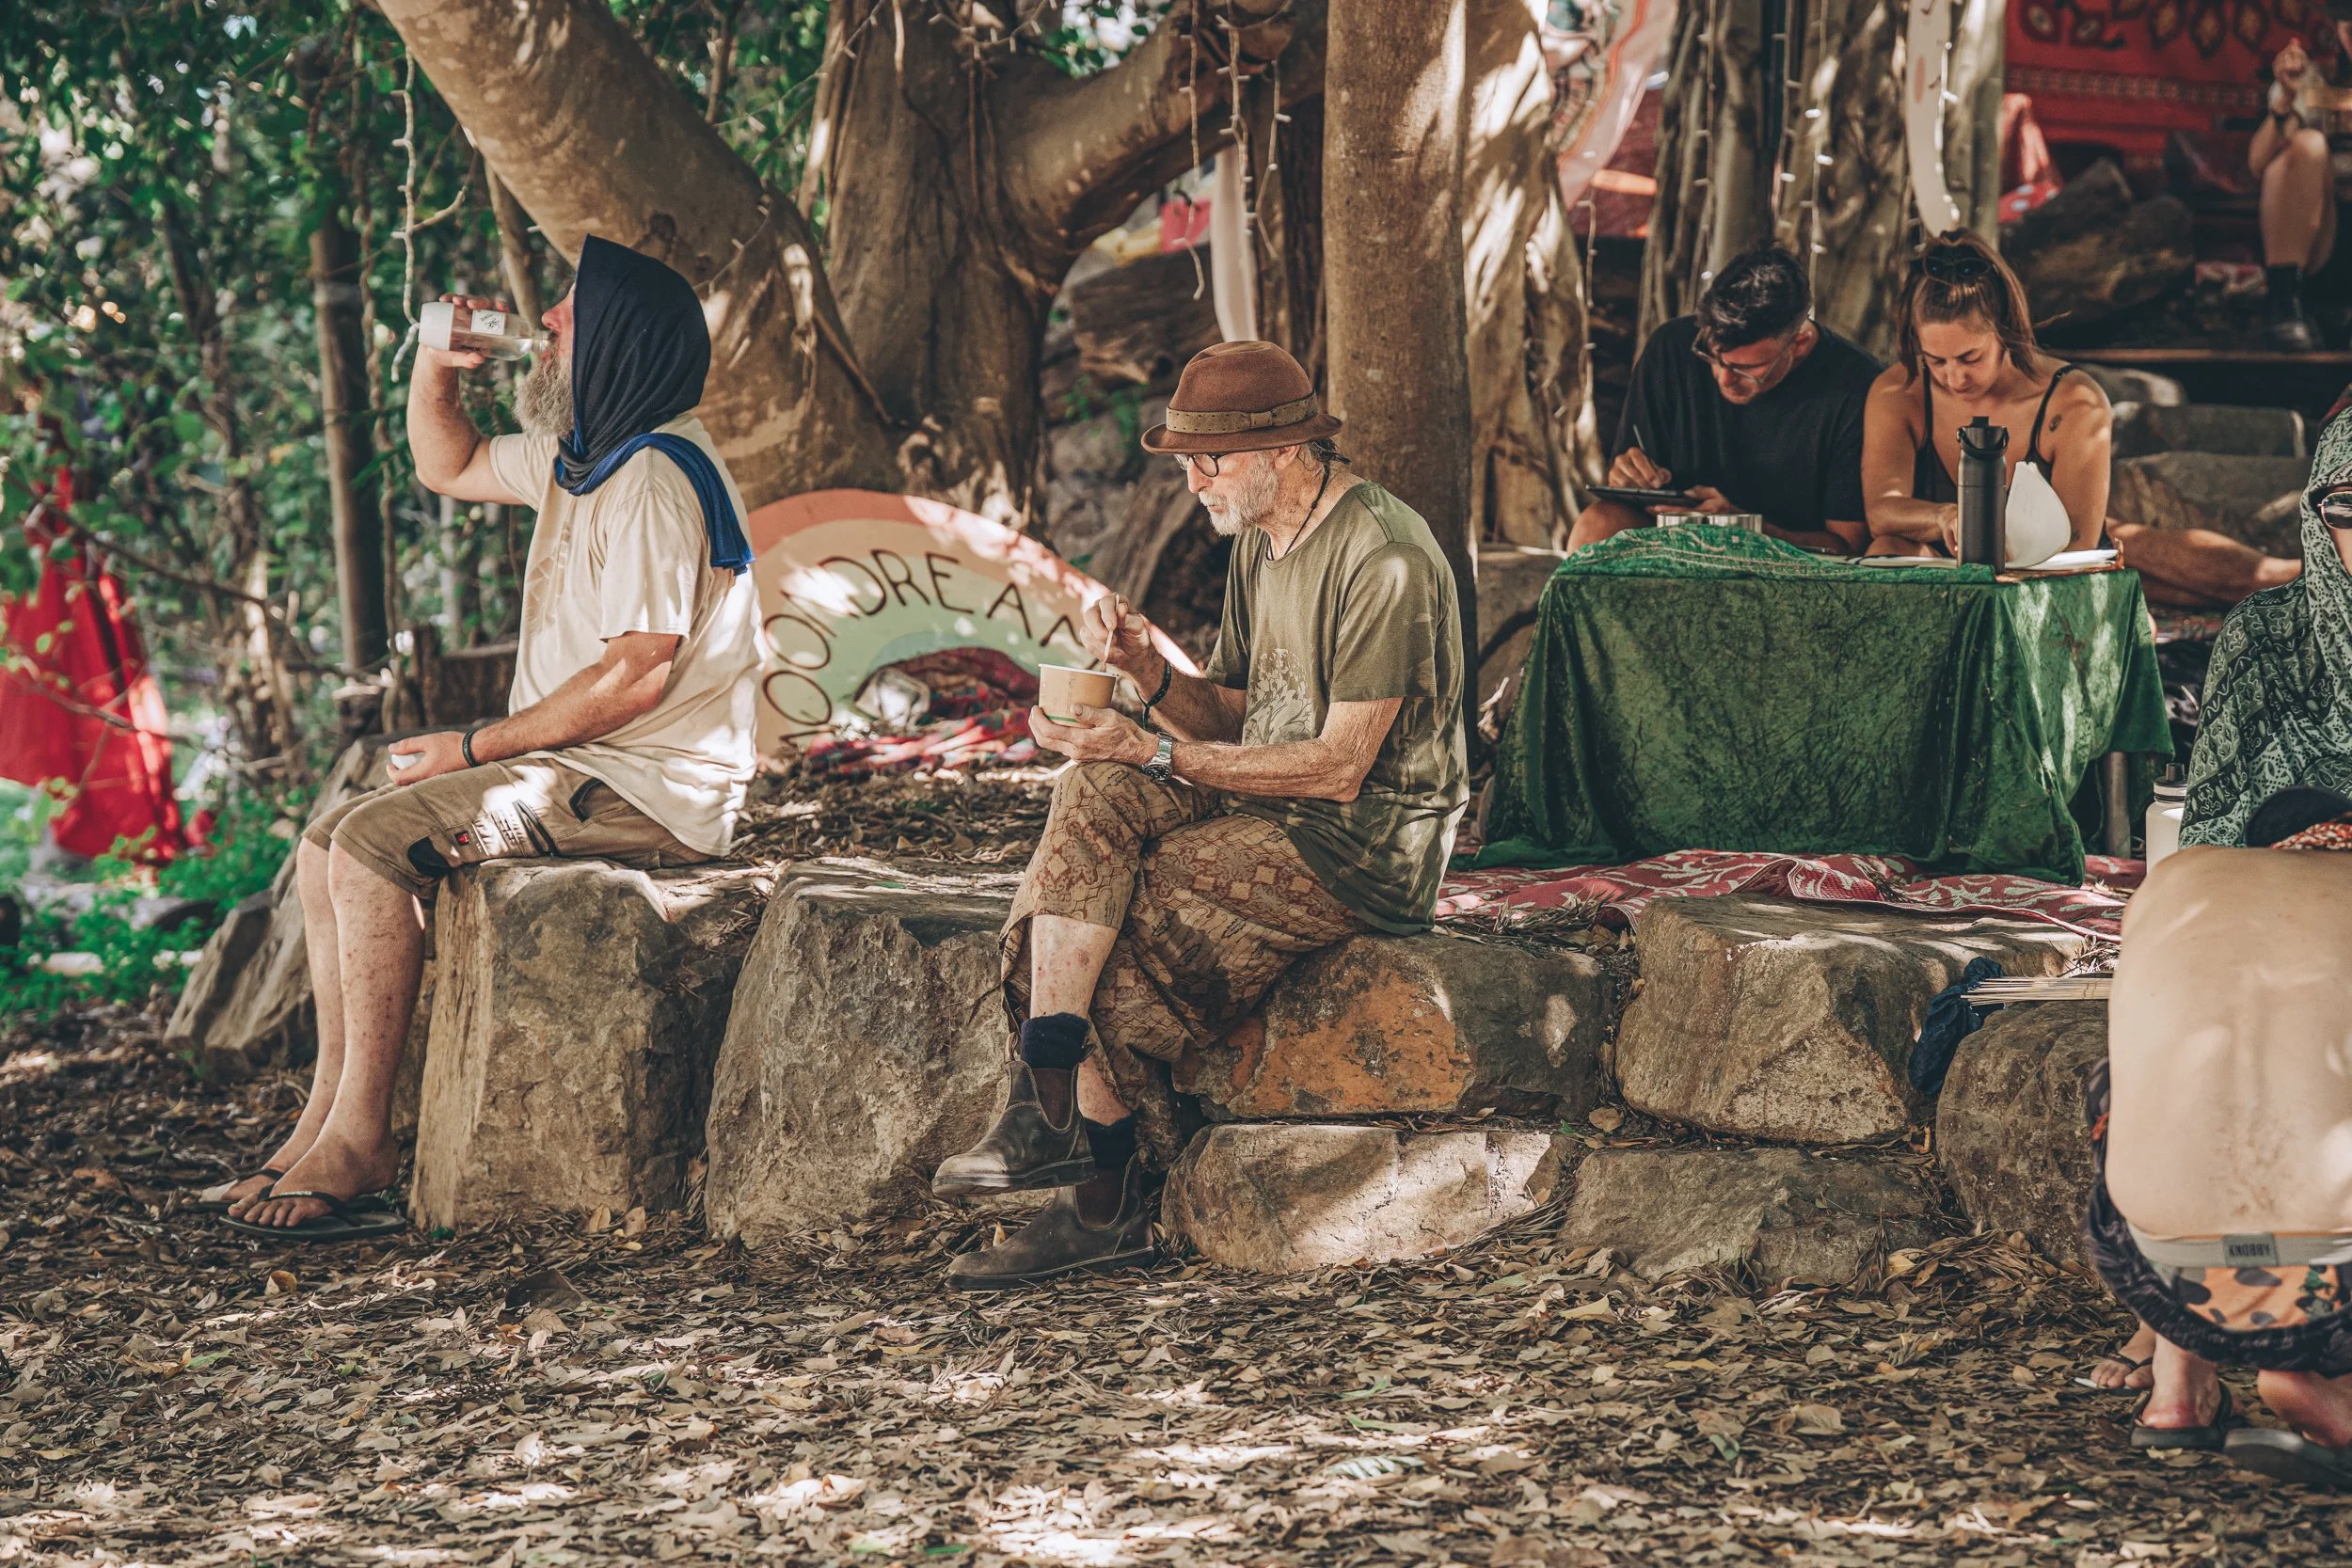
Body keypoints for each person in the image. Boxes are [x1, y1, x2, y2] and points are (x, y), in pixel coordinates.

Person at [218, 236, 762, 1238]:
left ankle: (363, 1139)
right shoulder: (586, 458)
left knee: (375, 848)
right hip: (580, 765)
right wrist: (435, 364)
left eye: (565, 311)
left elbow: (635, 671)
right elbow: (450, 460)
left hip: (644, 790)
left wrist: (474, 749)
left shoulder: (652, 478)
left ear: (613, 341)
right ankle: (327, 1117)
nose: (544, 322)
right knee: (324, 839)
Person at [931, 340, 1467, 1289]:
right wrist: (1147, 674)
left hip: (1360, 840)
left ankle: (1102, 1193)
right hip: (1269, 792)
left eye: (1207, 459)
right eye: (1184, 458)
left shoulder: (1380, 556)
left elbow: (1342, 767)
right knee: (1089, 793)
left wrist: (1157, 748)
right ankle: (1044, 1087)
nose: (1190, 479)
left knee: (1121, 916)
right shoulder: (1263, 543)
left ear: (1284, 448)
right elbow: (1234, 711)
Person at [2083, 414, 2352, 1463]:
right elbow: (2212, 842)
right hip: (2277, 915)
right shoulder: (2267, 637)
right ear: (2317, 512)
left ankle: (2178, 1376)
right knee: (2210, 1016)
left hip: (2151, 1250)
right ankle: (2272, 1361)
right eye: (2348, 511)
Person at [1862, 230, 2305, 608]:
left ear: (2005, 331)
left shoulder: (2072, 400)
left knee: (2200, 574)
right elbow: (1883, 511)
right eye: (1936, 360)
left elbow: (2076, 545)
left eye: (1970, 357)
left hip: (2073, 542)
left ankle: (2301, 579)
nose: (1954, 377)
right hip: (1948, 553)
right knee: (1885, 551)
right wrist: (1945, 517)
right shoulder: (1899, 391)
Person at [1568, 244, 1879, 555]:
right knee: (1598, 523)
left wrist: (1742, 528)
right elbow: (1629, 488)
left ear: (1799, 343)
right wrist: (1626, 476)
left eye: (1748, 368)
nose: (1723, 378)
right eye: (1714, 357)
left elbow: (1846, 545)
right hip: (1675, 542)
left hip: (1785, 558)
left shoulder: (1855, 385)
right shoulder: (1671, 347)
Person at [2249, 14, 2352, 352]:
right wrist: (2286, 101)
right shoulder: (2312, 82)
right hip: (2321, 240)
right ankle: (2284, 305)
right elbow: (2259, 163)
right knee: (2307, 145)